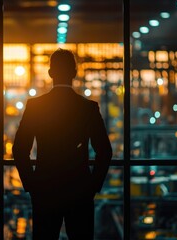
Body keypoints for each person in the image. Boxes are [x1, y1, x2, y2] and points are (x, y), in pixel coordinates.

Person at [12, 48, 112, 239]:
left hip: (45, 190)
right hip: (79, 191)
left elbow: (19, 149)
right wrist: (92, 187)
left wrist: (32, 184)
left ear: (50, 73)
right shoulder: (89, 108)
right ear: (74, 73)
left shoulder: (35, 106)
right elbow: (105, 152)